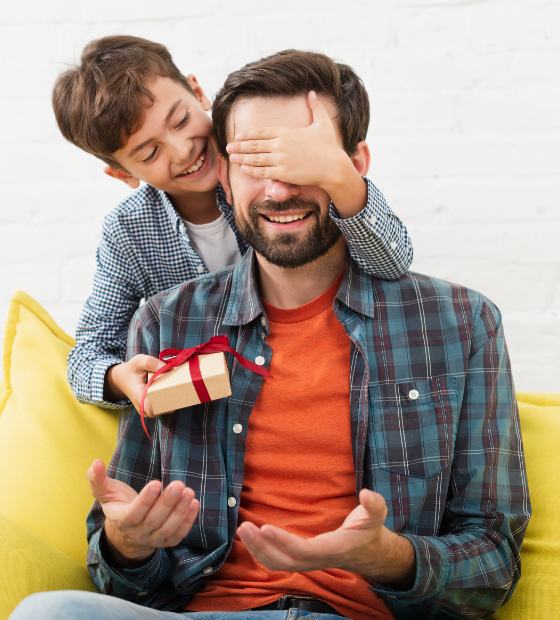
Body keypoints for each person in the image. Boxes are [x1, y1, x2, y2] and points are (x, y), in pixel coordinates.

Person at [12, 51, 529, 620]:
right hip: (208, 610)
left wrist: (391, 557)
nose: (279, 189)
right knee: (49, 612)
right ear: (226, 182)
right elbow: (126, 579)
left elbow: (493, 562)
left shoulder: (460, 323)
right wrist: (127, 545)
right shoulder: (164, 323)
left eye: (302, 161)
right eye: (254, 162)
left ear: (355, 165)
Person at [52, 36, 413, 417]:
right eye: (150, 152)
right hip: (221, 413)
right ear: (122, 173)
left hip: (320, 374)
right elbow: (88, 352)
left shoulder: (276, 178)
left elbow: (392, 262)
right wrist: (117, 378)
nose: (182, 149)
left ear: (197, 91)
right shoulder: (129, 231)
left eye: (180, 120)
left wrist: (339, 173)